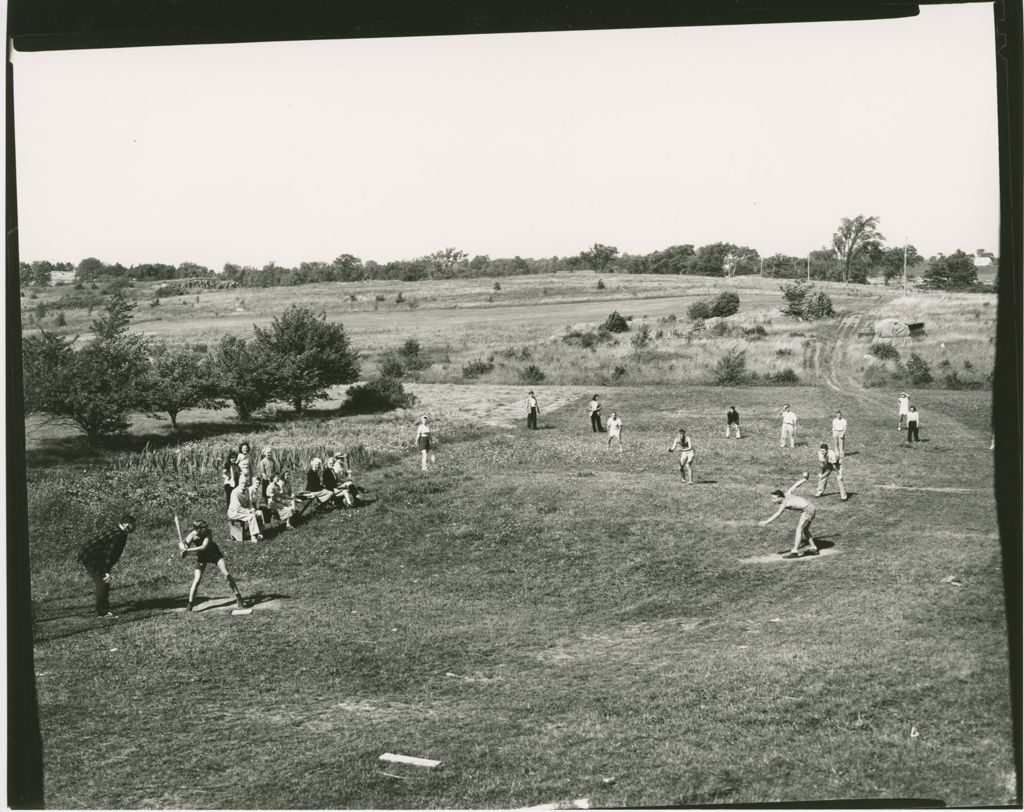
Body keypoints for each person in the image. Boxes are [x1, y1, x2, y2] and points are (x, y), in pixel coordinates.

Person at [77, 515, 137, 618]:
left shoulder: (117, 530)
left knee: (103, 581)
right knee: (103, 582)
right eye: (133, 525)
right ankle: (103, 612)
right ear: (126, 524)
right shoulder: (119, 535)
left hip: (89, 555)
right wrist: (106, 571)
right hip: (91, 557)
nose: (134, 527)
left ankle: (101, 609)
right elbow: (110, 554)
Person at [179, 519, 246, 612]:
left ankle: (238, 597)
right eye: (204, 528)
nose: (207, 528)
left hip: (214, 553)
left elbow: (203, 546)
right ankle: (190, 605)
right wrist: (183, 548)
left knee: (226, 574)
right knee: (197, 579)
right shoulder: (191, 536)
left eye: (206, 527)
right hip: (202, 556)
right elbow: (183, 556)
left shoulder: (209, 532)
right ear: (198, 530)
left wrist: (188, 550)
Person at [759, 473, 818, 558]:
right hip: (811, 507)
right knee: (805, 530)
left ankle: (795, 552)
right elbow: (795, 485)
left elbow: (778, 514)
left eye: (774, 498)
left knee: (799, 530)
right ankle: (814, 548)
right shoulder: (787, 494)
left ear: (780, 498)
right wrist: (804, 479)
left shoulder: (784, 503)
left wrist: (766, 522)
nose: (772, 500)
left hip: (807, 509)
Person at [227, 474, 264, 542]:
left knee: (259, 513)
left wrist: (253, 509)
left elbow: (250, 503)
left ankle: (260, 533)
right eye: (242, 483)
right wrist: (249, 511)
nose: (244, 484)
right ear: (239, 483)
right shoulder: (235, 492)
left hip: (244, 511)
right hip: (234, 512)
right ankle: (253, 536)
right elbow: (237, 508)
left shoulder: (247, 490)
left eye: (245, 483)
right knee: (252, 516)